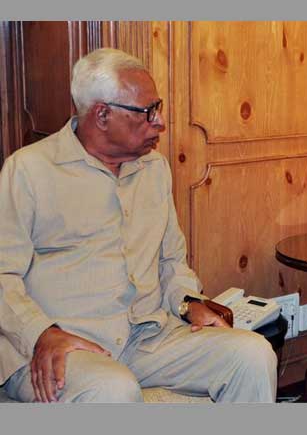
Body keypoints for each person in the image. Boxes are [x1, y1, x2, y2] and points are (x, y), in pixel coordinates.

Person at [0, 48, 277, 403]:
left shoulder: (154, 169)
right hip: (63, 345)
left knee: (253, 355)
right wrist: (42, 333)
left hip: (146, 338)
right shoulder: (29, 171)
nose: (160, 122)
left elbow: (170, 260)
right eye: (148, 112)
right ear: (102, 114)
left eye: (157, 108)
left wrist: (188, 302)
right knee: (114, 389)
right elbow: (3, 275)